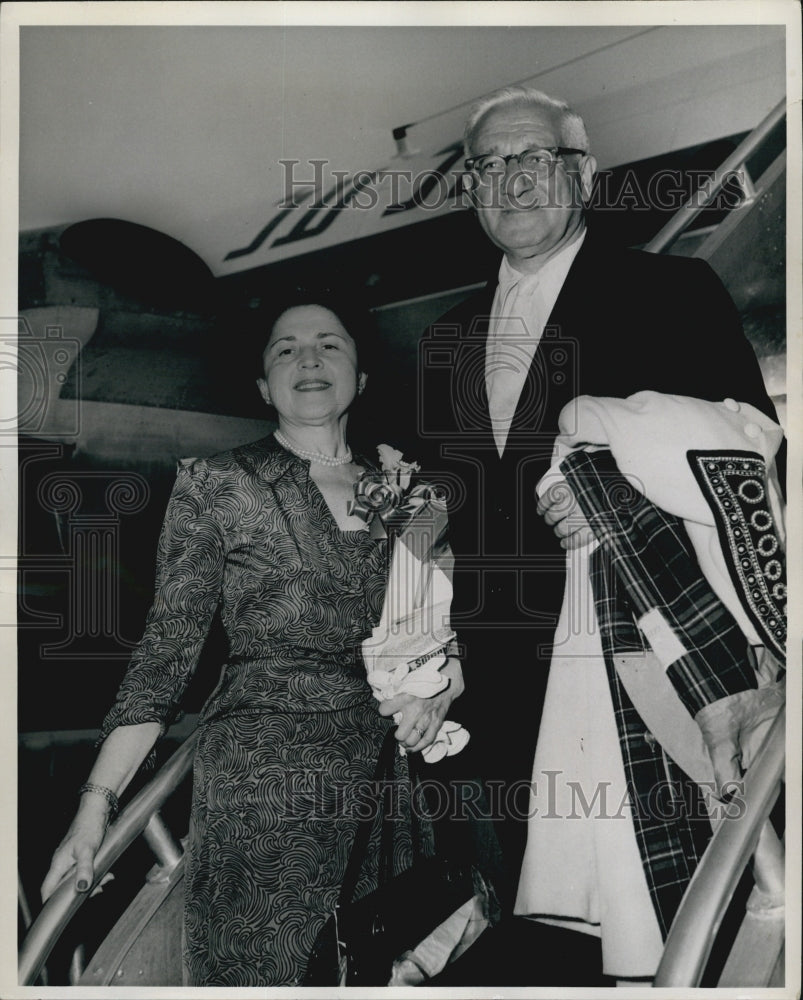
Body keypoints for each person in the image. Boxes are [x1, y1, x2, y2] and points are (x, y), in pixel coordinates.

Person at [414, 85, 783, 982]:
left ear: (581, 174)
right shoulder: (447, 337)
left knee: (681, 926)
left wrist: (620, 484)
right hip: (491, 693)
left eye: (533, 158)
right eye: (488, 167)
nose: (511, 181)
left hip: (640, 673)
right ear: (469, 191)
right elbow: (442, 510)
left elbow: (744, 451)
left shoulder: (668, 289)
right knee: (531, 941)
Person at [40, 290, 465, 986]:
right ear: (264, 386)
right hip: (263, 785)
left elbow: (441, 634)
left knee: (390, 962)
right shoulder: (216, 485)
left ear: (360, 378)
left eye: (329, 343)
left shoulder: (409, 496)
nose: (308, 358)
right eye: (285, 347)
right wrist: (94, 809)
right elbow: (163, 658)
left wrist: (439, 691)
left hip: (385, 779)